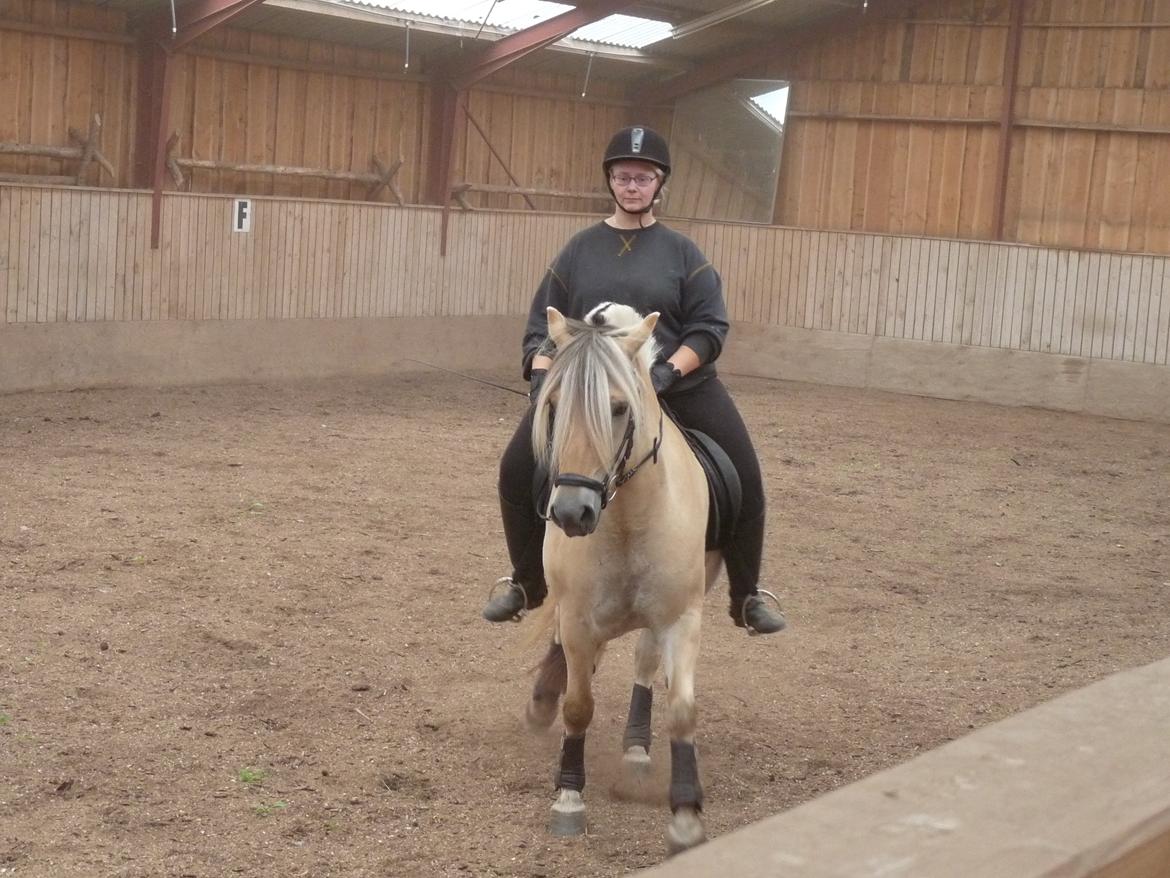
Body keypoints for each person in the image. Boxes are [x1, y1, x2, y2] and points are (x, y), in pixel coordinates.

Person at [483, 125, 785, 636]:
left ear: (659, 184)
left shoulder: (684, 253)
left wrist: (668, 370)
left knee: (745, 477)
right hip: (594, 393)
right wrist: (541, 381)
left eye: (643, 178)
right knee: (516, 469)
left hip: (680, 386)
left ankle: (747, 595)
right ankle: (526, 583)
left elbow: (709, 327)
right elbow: (542, 327)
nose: (632, 186)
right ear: (611, 181)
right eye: (623, 176)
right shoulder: (579, 250)